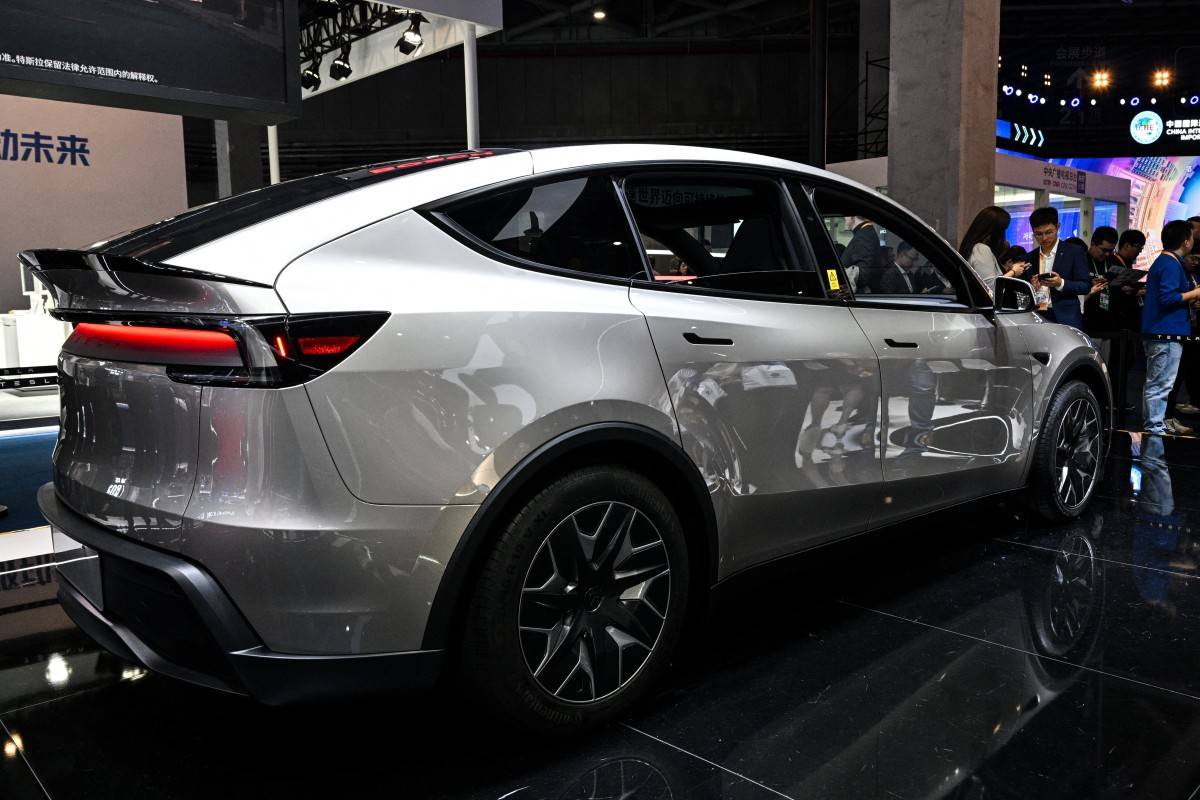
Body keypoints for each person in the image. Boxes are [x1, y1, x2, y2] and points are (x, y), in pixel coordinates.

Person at [1142, 220, 1200, 436]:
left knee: (1158, 383)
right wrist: (1195, 294)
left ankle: (1154, 425)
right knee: (1160, 384)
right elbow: (1167, 298)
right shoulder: (1169, 264)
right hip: (1165, 332)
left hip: (1164, 331)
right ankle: (1154, 428)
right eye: (1192, 237)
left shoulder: (1168, 261)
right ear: (1186, 241)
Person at [1026, 206, 1091, 329]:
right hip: (1036, 317)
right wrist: (1031, 288)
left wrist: (1060, 283)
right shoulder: (1029, 257)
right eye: (1038, 234)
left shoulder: (1074, 252)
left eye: (1049, 232)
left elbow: (1085, 286)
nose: (1044, 238)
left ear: (1058, 226)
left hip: (1066, 317)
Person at [959, 206, 1023, 295]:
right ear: (996, 231)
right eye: (1003, 230)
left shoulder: (972, 246)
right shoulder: (981, 249)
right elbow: (990, 288)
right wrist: (1013, 272)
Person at [1083, 226, 1120, 336]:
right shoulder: (1081, 261)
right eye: (1104, 250)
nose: (1107, 254)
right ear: (1093, 243)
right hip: (1088, 322)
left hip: (1109, 322)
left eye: (1111, 250)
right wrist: (1091, 285)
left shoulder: (1113, 261)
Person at [841, 215, 884, 293]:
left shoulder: (865, 235)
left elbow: (864, 274)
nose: (844, 219)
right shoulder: (865, 232)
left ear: (852, 216)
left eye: (845, 216)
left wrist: (841, 274)